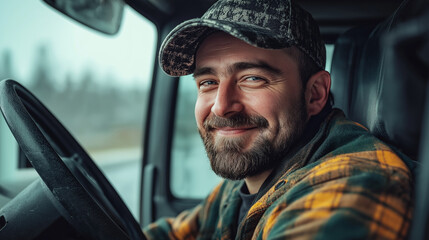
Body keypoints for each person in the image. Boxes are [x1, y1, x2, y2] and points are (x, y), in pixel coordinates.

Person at [143, 0, 415, 239]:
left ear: (315, 94)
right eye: (208, 82)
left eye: (252, 78)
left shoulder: (353, 185)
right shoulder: (244, 182)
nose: (221, 107)